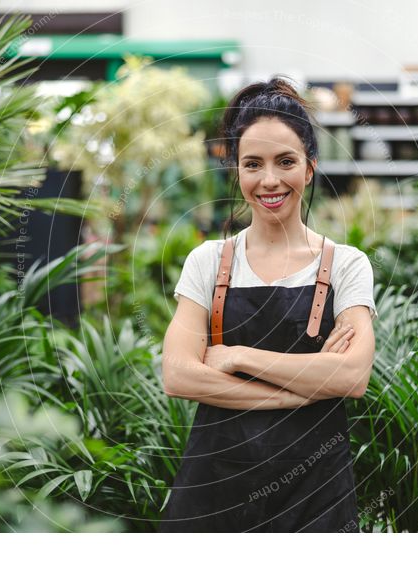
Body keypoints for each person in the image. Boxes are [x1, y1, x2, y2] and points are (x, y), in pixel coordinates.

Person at [159, 76, 377, 533]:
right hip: (215, 491)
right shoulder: (207, 262)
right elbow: (179, 374)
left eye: (286, 161)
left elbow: (352, 376)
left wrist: (238, 357)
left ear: (310, 167)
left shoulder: (345, 266)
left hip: (315, 496)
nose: (270, 180)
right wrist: (303, 389)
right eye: (253, 164)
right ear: (235, 170)